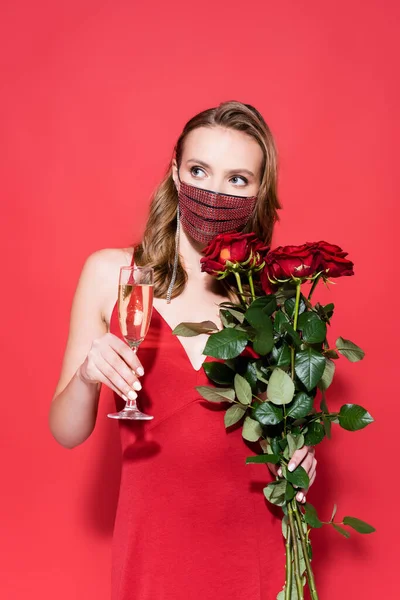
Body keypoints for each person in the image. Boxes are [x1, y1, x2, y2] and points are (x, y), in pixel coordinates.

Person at [49, 100, 317, 600]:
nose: (215, 191)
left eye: (238, 178)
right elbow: (66, 432)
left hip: (258, 551)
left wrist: (303, 457)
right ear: (175, 171)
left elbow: (289, 434)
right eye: (200, 170)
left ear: (259, 193)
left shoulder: (273, 302)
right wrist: (88, 376)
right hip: (154, 553)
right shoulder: (113, 274)